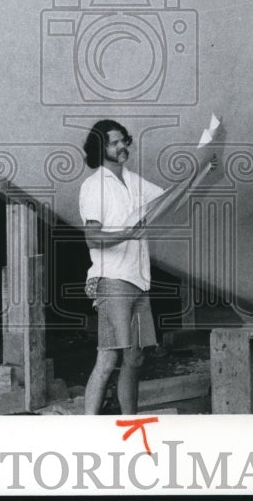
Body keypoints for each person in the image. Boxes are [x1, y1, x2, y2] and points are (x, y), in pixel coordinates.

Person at [80, 120, 165, 415]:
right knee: (108, 359)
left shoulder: (133, 180)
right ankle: (87, 430)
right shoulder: (94, 186)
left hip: (138, 280)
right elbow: (91, 237)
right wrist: (128, 233)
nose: (122, 147)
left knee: (135, 359)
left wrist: (203, 168)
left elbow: (168, 197)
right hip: (113, 280)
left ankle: (128, 424)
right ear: (100, 149)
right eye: (114, 143)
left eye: (123, 141)